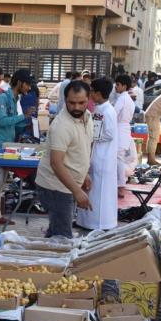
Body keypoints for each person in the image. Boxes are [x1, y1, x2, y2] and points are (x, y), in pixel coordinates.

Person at [36, 80, 93, 238]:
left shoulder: (87, 117)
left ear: (88, 100)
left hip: (67, 185)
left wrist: (84, 174)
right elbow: (56, 163)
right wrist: (77, 191)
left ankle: (49, 260)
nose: (76, 107)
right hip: (56, 187)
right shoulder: (62, 125)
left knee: (58, 233)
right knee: (62, 237)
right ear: (65, 100)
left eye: (81, 103)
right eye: (71, 103)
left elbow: (81, 149)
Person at [0, 69, 34, 225]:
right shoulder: (2, 99)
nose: (29, 88)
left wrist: (26, 120)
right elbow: (2, 121)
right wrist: (22, 116)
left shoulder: (13, 99)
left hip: (7, 144)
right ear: (19, 82)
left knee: (2, 181)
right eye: (27, 84)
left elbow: (13, 122)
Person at [76, 78, 118, 230]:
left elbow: (109, 134)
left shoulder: (107, 111)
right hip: (97, 154)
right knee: (92, 190)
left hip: (103, 156)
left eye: (92, 91)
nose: (90, 94)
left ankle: (99, 223)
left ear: (98, 94)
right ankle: (87, 221)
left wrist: (91, 134)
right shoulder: (100, 109)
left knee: (100, 193)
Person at [113, 74, 135, 198]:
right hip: (123, 129)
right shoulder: (128, 99)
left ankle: (121, 186)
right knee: (118, 159)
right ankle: (119, 185)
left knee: (118, 159)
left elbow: (113, 113)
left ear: (124, 86)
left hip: (120, 129)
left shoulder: (122, 98)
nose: (116, 87)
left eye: (118, 85)